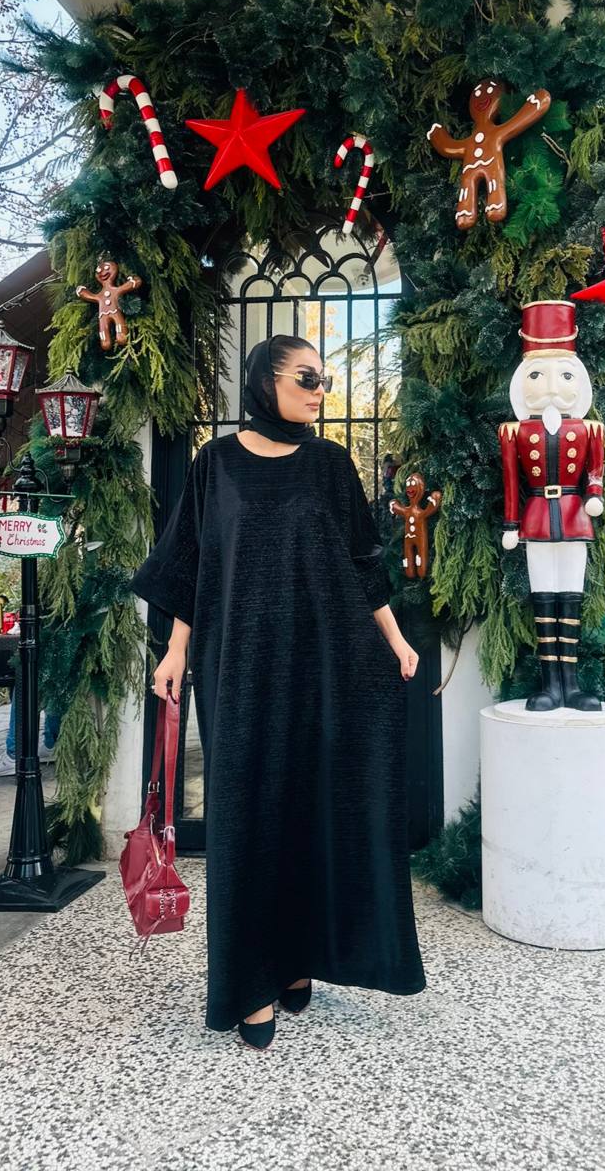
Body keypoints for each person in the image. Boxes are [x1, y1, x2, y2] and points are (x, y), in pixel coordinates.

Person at [129, 333, 426, 1051]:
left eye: (324, 379)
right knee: (247, 815)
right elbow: (190, 563)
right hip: (238, 668)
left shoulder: (330, 464)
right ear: (265, 381)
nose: (320, 390)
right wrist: (175, 651)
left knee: (314, 807)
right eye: (306, 378)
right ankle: (250, 985)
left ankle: (298, 961)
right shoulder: (215, 463)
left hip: (323, 666)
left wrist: (393, 639)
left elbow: (362, 561)